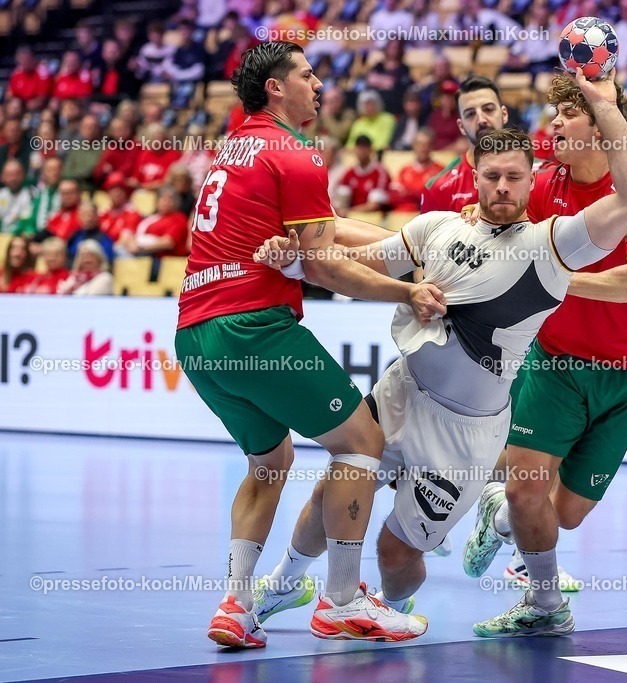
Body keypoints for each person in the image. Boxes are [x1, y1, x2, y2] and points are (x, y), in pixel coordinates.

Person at [249, 70, 627, 636]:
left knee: (396, 553)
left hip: (464, 435)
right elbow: (360, 265)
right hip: (403, 390)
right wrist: (293, 259)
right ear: (476, 178)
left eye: (516, 177)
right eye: (492, 177)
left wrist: (607, 108)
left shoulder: (555, 243)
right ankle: (285, 586)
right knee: (330, 491)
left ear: (533, 180)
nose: (503, 188)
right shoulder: (439, 225)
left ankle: (388, 602)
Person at [173, 41, 445, 650]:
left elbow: (323, 230)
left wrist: (410, 244)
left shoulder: (236, 147)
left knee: (270, 462)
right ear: (276, 87)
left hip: (195, 334)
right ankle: (342, 601)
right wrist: (406, 291)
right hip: (254, 328)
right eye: (307, 73)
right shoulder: (295, 153)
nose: (319, 85)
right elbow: (323, 267)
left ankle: (237, 605)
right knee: (362, 442)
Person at [463, 71, 627, 636]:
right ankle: (544, 605)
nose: (554, 124)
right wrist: (476, 218)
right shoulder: (542, 186)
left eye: (568, 115)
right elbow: (497, 206)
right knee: (526, 486)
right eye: (552, 116)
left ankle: (500, 517)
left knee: (563, 515)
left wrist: (554, 273)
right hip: (556, 361)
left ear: (601, 126)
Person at [420, 76, 509, 213]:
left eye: (488, 109)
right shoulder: (439, 188)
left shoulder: (538, 176)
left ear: (504, 114)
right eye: (470, 114)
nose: (481, 120)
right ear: (461, 126)